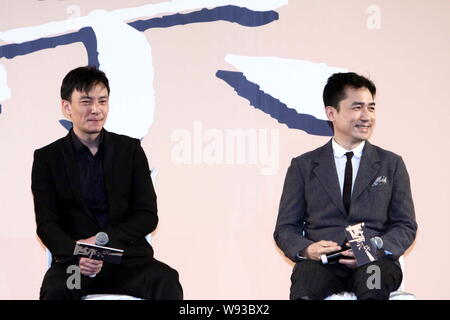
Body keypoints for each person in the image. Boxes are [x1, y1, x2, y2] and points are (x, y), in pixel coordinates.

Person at [32, 66, 183, 300]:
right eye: (86, 101)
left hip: (126, 262)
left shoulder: (130, 151)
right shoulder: (47, 158)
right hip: (76, 267)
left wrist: (101, 242)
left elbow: (147, 216)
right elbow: (47, 225)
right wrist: (79, 254)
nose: (96, 109)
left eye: (102, 101)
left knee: (165, 280)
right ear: (66, 107)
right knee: (56, 289)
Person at [274, 72, 417, 300]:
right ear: (332, 113)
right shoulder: (303, 166)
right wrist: (306, 249)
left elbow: (405, 225)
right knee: (305, 286)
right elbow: (286, 228)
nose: (366, 116)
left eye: (371, 108)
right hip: (323, 263)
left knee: (373, 285)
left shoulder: (391, 164)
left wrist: (376, 247)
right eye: (357, 107)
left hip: (373, 261)